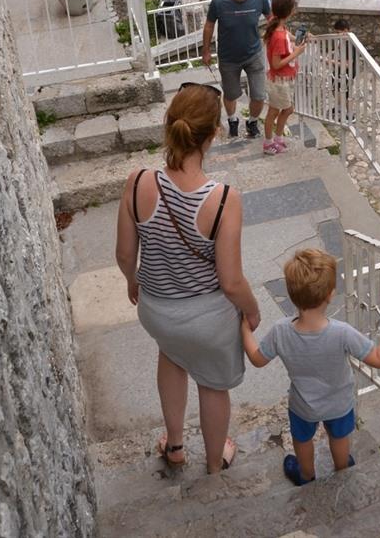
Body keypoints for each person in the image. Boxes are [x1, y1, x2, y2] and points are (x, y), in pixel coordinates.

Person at [115, 83, 260, 474]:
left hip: (157, 310)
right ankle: (214, 466)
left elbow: (125, 254)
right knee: (213, 384)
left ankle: (175, 445)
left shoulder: (137, 182)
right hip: (206, 319)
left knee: (172, 354)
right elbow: (230, 281)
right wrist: (252, 310)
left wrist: (132, 281)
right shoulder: (224, 200)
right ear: (213, 135)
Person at [241, 248, 380, 486]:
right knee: (339, 436)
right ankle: (342, 469)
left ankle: (306, 475)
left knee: (302, 439)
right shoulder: (342, 333)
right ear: (330, 295)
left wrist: (245, 331)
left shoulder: (280, 331)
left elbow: (258, 359)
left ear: (291, 294)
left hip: (303, 405)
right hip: (339, 403)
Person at [202, 0, 271, 139]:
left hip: (254, 54)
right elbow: (209, 25)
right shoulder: (219, 2)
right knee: (231, 94)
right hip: (228, 58)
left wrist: (279, 40)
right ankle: (233, 120)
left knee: (259, 94)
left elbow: (272, 19)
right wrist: (206, 51)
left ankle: (252, 121)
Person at [262, 0, 307, 155]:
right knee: (276, 111)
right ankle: (268, 143)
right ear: (290, 11)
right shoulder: (279, 36)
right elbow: (275, 64)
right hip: (280, 81)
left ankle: (278, 138)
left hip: (283, 80)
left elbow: (286, 35)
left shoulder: (277, 25)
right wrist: (296, 53)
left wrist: (296, 39)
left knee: (286, 109)